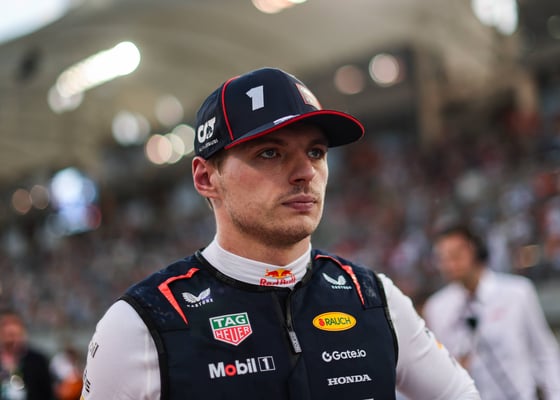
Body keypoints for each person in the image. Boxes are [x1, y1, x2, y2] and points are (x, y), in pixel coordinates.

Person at [81, 67, 480, 399]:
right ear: (206, 178)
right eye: (270, 153)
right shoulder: (143, 323)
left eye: (316, 152)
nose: (305, 172)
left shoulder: (374, 298)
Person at [423, 223, 560, 400]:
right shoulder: (436, 308)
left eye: (455, 255)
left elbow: (544, 352)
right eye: (442, 258)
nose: (449, 264)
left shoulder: (517, 293)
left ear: (475, 250)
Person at [0, 308, 54, 400]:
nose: (10, 329)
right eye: (5, 324)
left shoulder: (37, 361)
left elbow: (47, 394)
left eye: (14, 324)